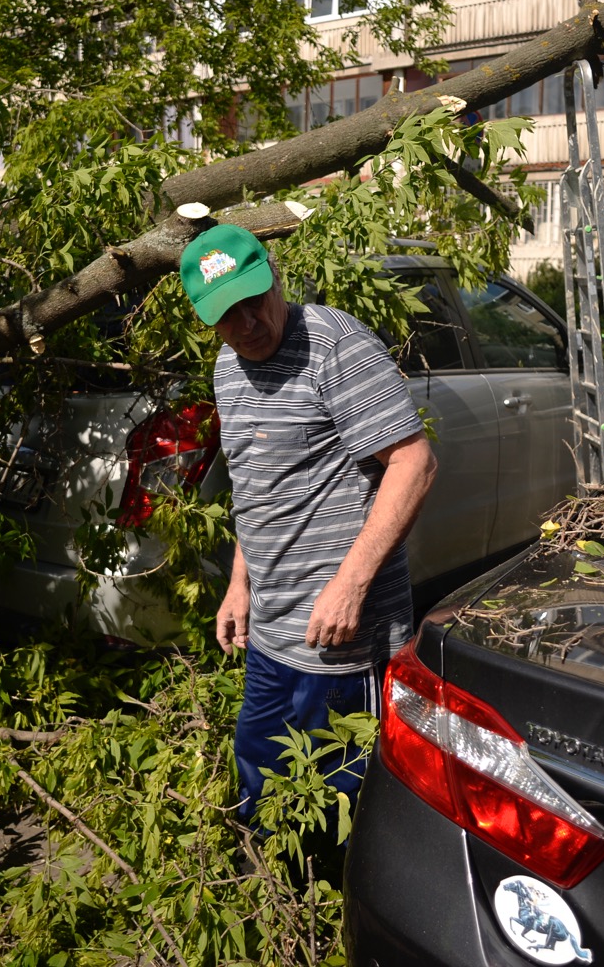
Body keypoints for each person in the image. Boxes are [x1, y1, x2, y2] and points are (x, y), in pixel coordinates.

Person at [178, 224, 438, 822]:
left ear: (274, 271)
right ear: (206, 319)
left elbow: (413, 463)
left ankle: (333, 910)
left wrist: (350, 586)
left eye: (254, 300)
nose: (247, 323)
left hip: (341, 639)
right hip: (271, 632)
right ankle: (273, 905)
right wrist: (239, 583)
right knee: (258, 783)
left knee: (341, 807)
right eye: (227, 315)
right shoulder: (228, 367)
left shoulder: (333, 344)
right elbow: (255, 486)